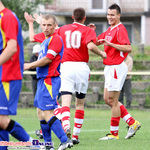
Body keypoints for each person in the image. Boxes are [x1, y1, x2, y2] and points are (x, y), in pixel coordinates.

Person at [57, 7, 106, 144]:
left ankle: (65, 127)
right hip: (81, 67)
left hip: (66, 66)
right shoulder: (88, 30)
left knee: (65, 101)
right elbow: (90, 46)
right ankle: (75, 136)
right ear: (84, 18)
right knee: (79, 103)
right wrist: (101, 53)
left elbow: (57, 34)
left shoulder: (63, 29)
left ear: (72, 17)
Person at [24, 12, 73, 150]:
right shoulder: (46, 39)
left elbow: (47, 59)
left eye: (49, 25)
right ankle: (48, 145)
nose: (45, 27)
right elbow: (33, 37)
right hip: (42, 80)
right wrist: (31, 23)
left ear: (54, 26)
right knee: (40, 112)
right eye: (43, 25)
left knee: (47, 113)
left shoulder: (56, 39)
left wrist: (29, 65)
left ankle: (65, 140)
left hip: (50, 81)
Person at [96, 3, 141, 140]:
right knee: (107, 100)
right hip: (109, 67)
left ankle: (114, 134)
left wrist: (110, 44)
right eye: (108, 14)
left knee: (113, 101)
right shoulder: (110, 29)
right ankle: (132, 123)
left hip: (116, 67)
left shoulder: (120, 29)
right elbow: (97, 41)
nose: (109, 17)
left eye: (112, 15)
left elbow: (128, 48)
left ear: (118, 15)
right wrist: (90, 31)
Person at [0, 1, 33, 150]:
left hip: (8, 76)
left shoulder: (7, 17)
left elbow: (12, 47)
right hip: (3, 75)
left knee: (2, 120)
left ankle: (35, 145)